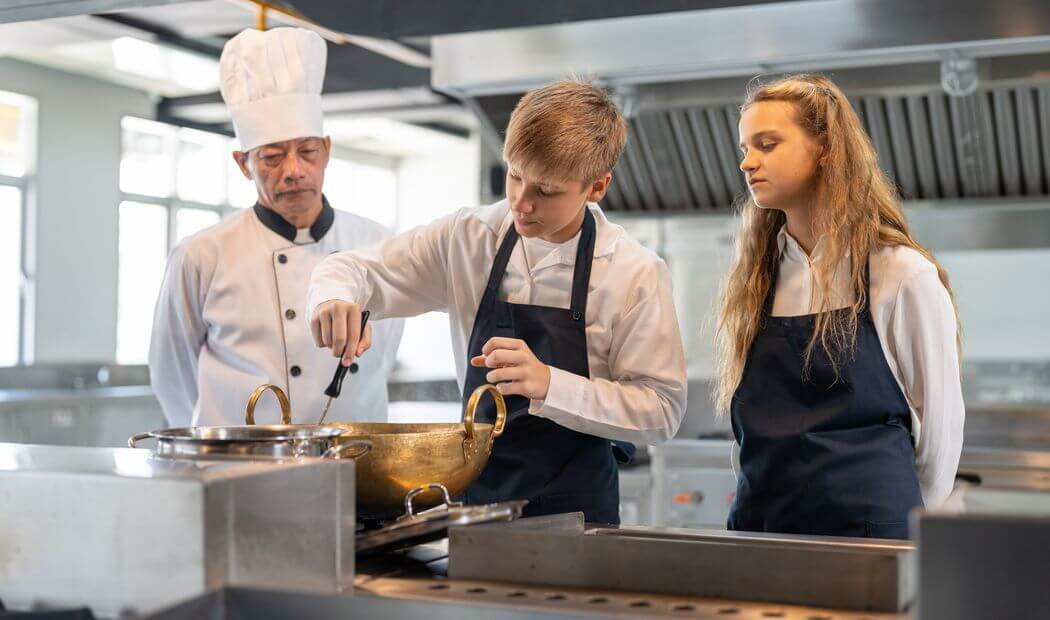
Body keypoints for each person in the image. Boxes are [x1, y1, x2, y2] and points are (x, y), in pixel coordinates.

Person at [307, 79, 687, 523]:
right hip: (477, 506)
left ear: (596, 187)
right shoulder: (468, 238)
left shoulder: (632, 272)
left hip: (580, 517)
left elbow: (661, 411)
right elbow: (352, 269)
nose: (521, 203)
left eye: (545, 191)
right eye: (514, 175)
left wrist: (549, 384)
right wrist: (334, 299)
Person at [717, 73, 964, 539]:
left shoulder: (901, 275)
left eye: (767, 144)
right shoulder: (758, 279)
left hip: (869, 537)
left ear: (825, 148)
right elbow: (748, 434)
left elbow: (940, 435)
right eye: (744, 149)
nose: (748, 163)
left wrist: (896, 519)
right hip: (763, 532)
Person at [149, 27, 403, 426]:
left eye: (307, 151)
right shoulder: (201, 254)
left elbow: (385, 354)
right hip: (240, 468)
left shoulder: (376, 243)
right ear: (242, 163)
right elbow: (173, 376)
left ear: (327, 151)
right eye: (271, 157)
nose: (294, 171)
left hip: (355, 463)